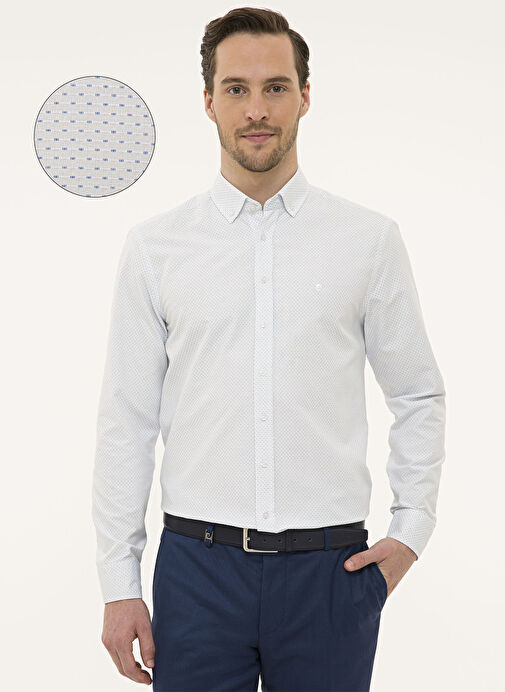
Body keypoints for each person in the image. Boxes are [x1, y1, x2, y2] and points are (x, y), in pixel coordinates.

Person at [92, 6, 446, 691]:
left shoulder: (367, 241)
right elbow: (125, 422)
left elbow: (417, 393)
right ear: (208, 101)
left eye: (275, 87)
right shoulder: (155, 248)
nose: (256, 109)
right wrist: (119, 583)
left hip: (331, 574)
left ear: (304, 96)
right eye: (236, 88)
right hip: (196, 572)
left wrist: (411, 530)